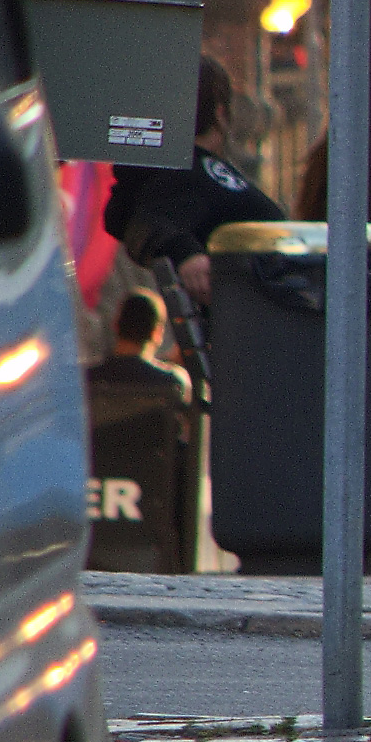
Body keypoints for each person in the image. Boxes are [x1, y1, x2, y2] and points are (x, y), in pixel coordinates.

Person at [101, 56, 283, 307]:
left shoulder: (181, 173)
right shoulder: (190, 173)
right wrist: (185, 254)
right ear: (220, 113)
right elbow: (150, 220)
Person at [84, 291, 197, 572]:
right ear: (157, 332)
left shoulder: (85, 380)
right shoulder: (171, 384)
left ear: (116, 324)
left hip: (94, 498)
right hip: (151, 508)